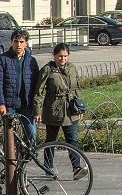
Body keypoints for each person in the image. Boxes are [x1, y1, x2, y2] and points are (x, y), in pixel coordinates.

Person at [31, 43, 87, 178]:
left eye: (65, 56)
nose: (63, 59)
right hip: (53, 109)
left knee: (72, 140)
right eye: (60, 56)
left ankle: (77, 168)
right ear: (54, 56)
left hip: (70, 109)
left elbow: (77, 89)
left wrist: (80, 109)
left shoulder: (72, 68)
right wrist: (37, 111)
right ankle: (48, 167)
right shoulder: (47, 70)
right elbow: (39, 92)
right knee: (51, 140)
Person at [0, 31, 40, 147]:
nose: (18, 44)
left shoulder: (31, 61)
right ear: (11, 42)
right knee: (8, 137)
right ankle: (8, 161)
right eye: (16, 41)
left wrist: (37, 107)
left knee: (31, 133)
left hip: (26, 105)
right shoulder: (2, 59)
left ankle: (22, 158)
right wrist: (0, 103)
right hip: (9, 105)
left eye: (21, 42)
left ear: (26, 44)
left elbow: (37, 85)